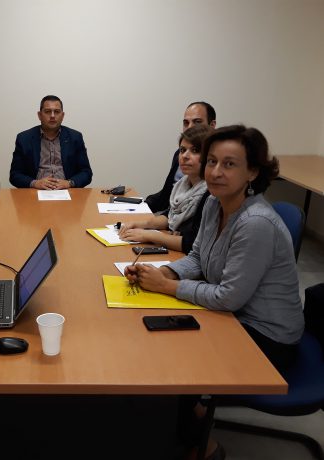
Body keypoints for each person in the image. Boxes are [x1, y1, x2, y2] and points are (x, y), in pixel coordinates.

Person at [125, 125, 304, 460]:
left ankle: (206, 447)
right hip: (233, 316)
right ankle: (189, 417)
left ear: (253, 172)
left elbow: (227, 297)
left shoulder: (256, 223)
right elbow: (197, 257)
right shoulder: (213, 203)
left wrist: (167, 286)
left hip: (266, 336)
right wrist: (165, 272)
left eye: (229, 164)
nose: (216, 172)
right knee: (154, 338)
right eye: (212, 161)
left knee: (170, 358)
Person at [118, 124, 212, 254]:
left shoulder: (210, 194)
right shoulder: (183, 184)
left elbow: (191, 244)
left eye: (195, 150)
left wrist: (149, 235)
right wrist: (139, 224)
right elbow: (171, 216)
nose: (185, 156)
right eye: (182, 150)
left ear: (209, 157)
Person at [145, 101, 216, 213]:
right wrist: (141, 205)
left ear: (212, 125)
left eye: (197, 122)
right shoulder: (178, 154)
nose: (190, 127)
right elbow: (166, 194)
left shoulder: (215, 161)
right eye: (186, 123)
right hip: (172, 215)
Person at [9, 95, 93, 189]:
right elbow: (15, 175)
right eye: (47, 111)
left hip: (67, 191)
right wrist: (35, 183)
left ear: (62, 115)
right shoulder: (24, 138)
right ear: (39, 115)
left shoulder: (75, 137)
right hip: (36, 192)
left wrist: (69, 183)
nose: (52, 116)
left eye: (56, 112)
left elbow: (86, 173)